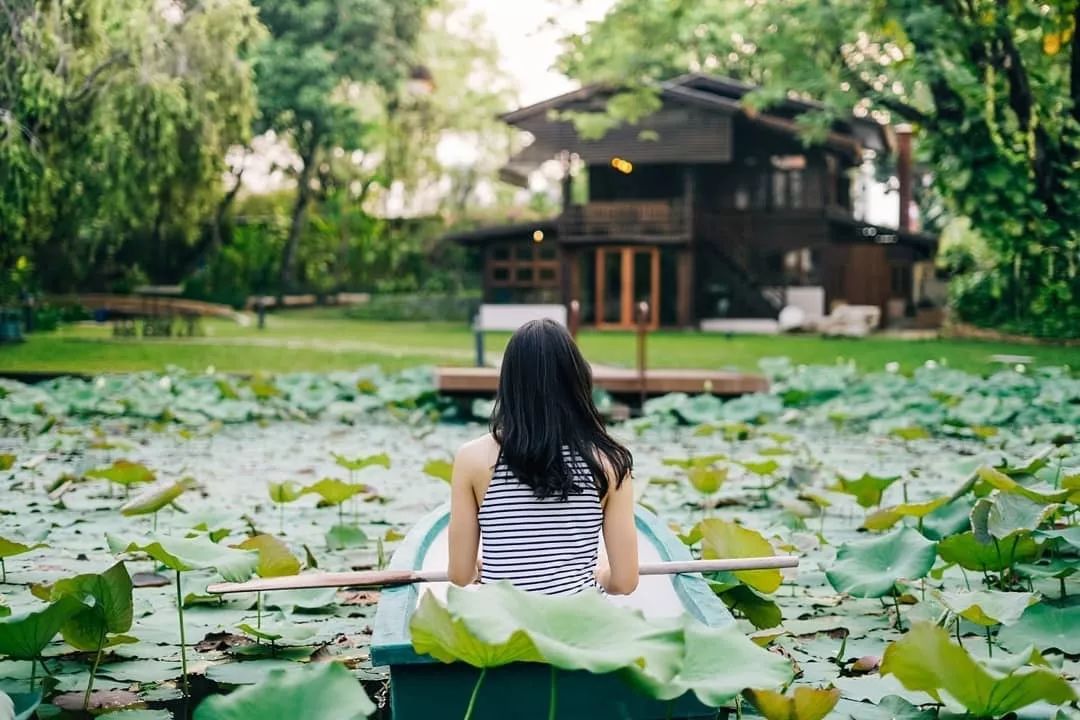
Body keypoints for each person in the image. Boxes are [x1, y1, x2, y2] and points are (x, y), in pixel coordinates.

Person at [447, 318, 638, 596]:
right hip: (576, 630)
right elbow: (625, 582)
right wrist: (601, 575)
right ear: (578, 380)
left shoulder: (471, 459)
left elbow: (460, 575)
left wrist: (480, 567)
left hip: (505, 630)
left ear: (509, 383)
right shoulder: (610, 462)